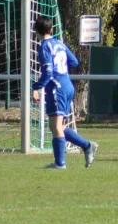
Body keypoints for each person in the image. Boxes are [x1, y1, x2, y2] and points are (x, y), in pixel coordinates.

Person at [32, 16, 98, 169]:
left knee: (55, 127)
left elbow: (48, 72)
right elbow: (74, 61)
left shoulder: (44, 47)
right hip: (67, 85)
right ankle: (87, 146)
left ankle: (60, 163)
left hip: (57, 87)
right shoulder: (59, 44)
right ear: (51, 30)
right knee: (57, 126)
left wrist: (36, 86)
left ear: (36, 32)